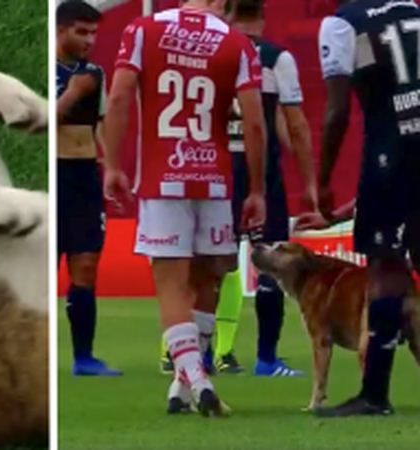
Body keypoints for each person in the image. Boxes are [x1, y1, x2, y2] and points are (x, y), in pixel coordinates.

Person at [103, 0, 266, 415]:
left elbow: (120, 95)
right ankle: (185, 384)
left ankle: (195, 378)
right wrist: (258, 189)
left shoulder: (143, 29)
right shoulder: (237, 42)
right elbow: (254, 122)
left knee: (172, 285)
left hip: (162, 176)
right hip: (213, 178)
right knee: (208, 279)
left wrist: (113, 163)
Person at [313, 0, 420, 416]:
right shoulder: (413, 11)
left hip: (391, 151)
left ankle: (374, 393)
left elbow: (337, 111)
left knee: (386, 269)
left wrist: (320, 180)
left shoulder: (343, 24)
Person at [213, 0, 319, 376]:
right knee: (272, 266)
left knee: (212, 266)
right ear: (263, 15)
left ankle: (199, 355)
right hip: (263, 176)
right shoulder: (276, 58)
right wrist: (310, 183)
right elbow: (295, 125)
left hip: (218, 172)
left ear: (226, 12)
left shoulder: (210, 49)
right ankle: (266, 358)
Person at [56, 0, 121, 377]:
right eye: (81, 32)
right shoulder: (48, 71)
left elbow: (102, 124)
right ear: (61, 30)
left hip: (84, 177)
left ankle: (84, 357)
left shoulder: (94, 73)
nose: (89, 40)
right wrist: (70, 95)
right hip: (56, 172)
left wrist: (111, 167)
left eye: (94, 33)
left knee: (86, 264)